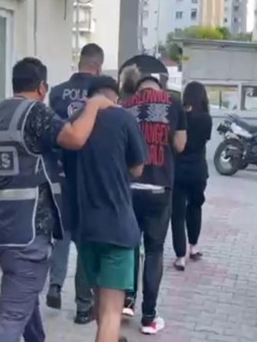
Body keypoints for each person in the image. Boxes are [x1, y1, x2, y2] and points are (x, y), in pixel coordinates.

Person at [0, 57, 114, 342]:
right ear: (42, 87)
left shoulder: (0, 112)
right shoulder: (34, 112)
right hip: (27, 230)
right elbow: (75, 138)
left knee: (24, 296)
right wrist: (94, 105)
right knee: (12, 315)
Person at [73, 76, 146, 342]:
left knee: (101, 306)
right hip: (118, 228)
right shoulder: (124, 119)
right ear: (114, 98)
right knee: (113, 312)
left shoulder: (76, 123)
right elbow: (138, 168)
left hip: (86, 229)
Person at [118, 57, 186, 335]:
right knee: (155, 251)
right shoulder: (173, 103)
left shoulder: (126, 106)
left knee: (130, 245)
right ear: (160, 85)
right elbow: (180, 145)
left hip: (129, 188)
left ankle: (127, 301)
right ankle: (149, 317)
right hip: (159, 188)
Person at [46, 43, 104, 324]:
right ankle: (83, 306)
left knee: (62, 230)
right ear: (98, 67)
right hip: (90, 176)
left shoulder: (57, 92)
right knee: (85, 239)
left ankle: (55, 283)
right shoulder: (100, 95)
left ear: (80, 62)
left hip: (60, 172)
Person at [171, 81, 213, 271]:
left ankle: (180, 256)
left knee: (177, 214)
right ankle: (193, 247)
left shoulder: (180, 116)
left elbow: (176, 143)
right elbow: (203, 142)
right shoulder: (206, 119)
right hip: (198, 171)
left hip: (178, 170)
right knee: (195, 207)